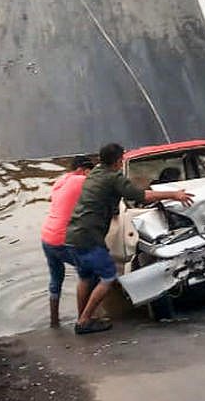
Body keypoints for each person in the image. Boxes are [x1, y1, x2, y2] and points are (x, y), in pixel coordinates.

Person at [63, 142, 193, 335]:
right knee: (108, 276)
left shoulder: (97, 172)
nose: (122, 160)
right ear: (117, 161)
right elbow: (140, 196)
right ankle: (84, 321)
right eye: (121, 158)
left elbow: (109, 197)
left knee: (85, 277)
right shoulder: (113, 177)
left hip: (75, 234)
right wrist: (174, 194)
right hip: (89, 237)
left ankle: (84, 317)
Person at [40, 155, 94, 327]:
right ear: (83, 170)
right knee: (89, 274)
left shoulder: (61, 180)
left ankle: (54, 322)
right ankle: (83, 319)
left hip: (47, 237)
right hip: (66, 239)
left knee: (56, 279)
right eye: (90, 173)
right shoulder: (80, 180)